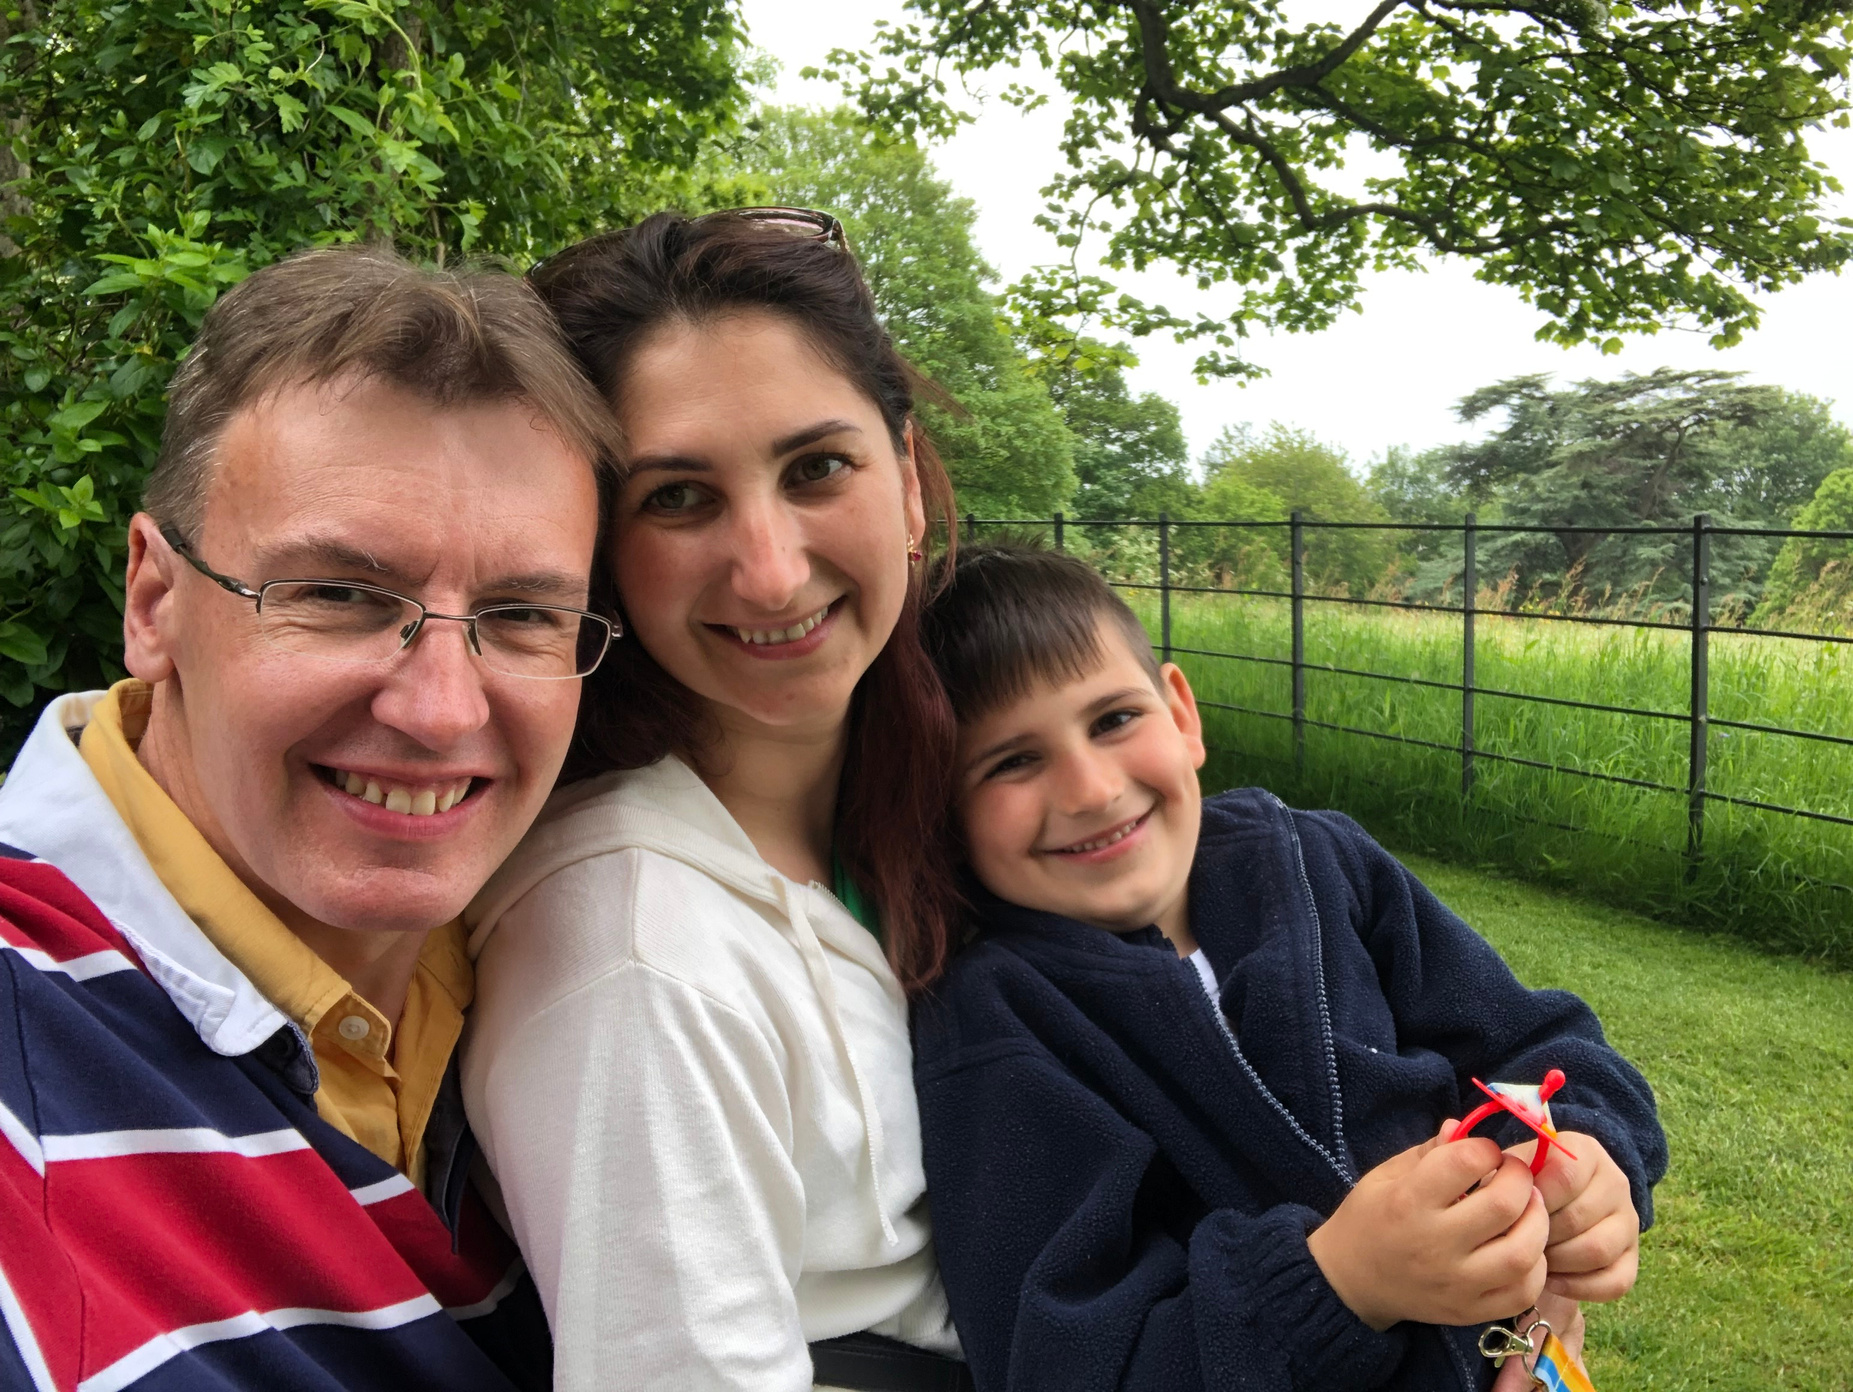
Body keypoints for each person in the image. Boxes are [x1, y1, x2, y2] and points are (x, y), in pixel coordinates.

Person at [0, 246, 622, 1391]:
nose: (440, 710)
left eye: (525, 613)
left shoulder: (581, 966)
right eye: (338, 594)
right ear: (154, 601)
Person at [911, 544, 1669, 1392]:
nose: (1089, 788)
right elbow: (1059, 1358)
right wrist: (1338, 1284)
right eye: (1011, 761)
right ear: (941, 809)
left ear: (1181, 713)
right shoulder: (993, 1019)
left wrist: (1586, 1161)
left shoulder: (1319, 863)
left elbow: (1538, 1045)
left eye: (1114, 719)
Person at [461, 209, 969, 1392]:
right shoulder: (635, 950)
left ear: (904, 481)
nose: (771, 569)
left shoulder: (949, 801)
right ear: (596, 548)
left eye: (815, 469)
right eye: (678, 498)